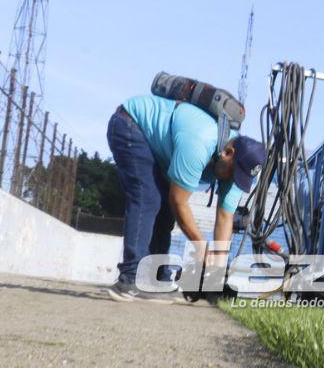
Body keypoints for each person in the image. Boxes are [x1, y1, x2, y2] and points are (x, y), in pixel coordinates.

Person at [104, 93, 266, 303]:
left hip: (161, 148)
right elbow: (178, 200)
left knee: (165, 214)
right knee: (148, 198)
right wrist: (200, 245)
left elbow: (225, 218)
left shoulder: (237, 167)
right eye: (234, 174)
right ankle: (130, 280)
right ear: (228, 152)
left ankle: (156, 280)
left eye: (241, 178)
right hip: (130, 124)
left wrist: (214, 272)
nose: (233, 180)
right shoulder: (200, 142)